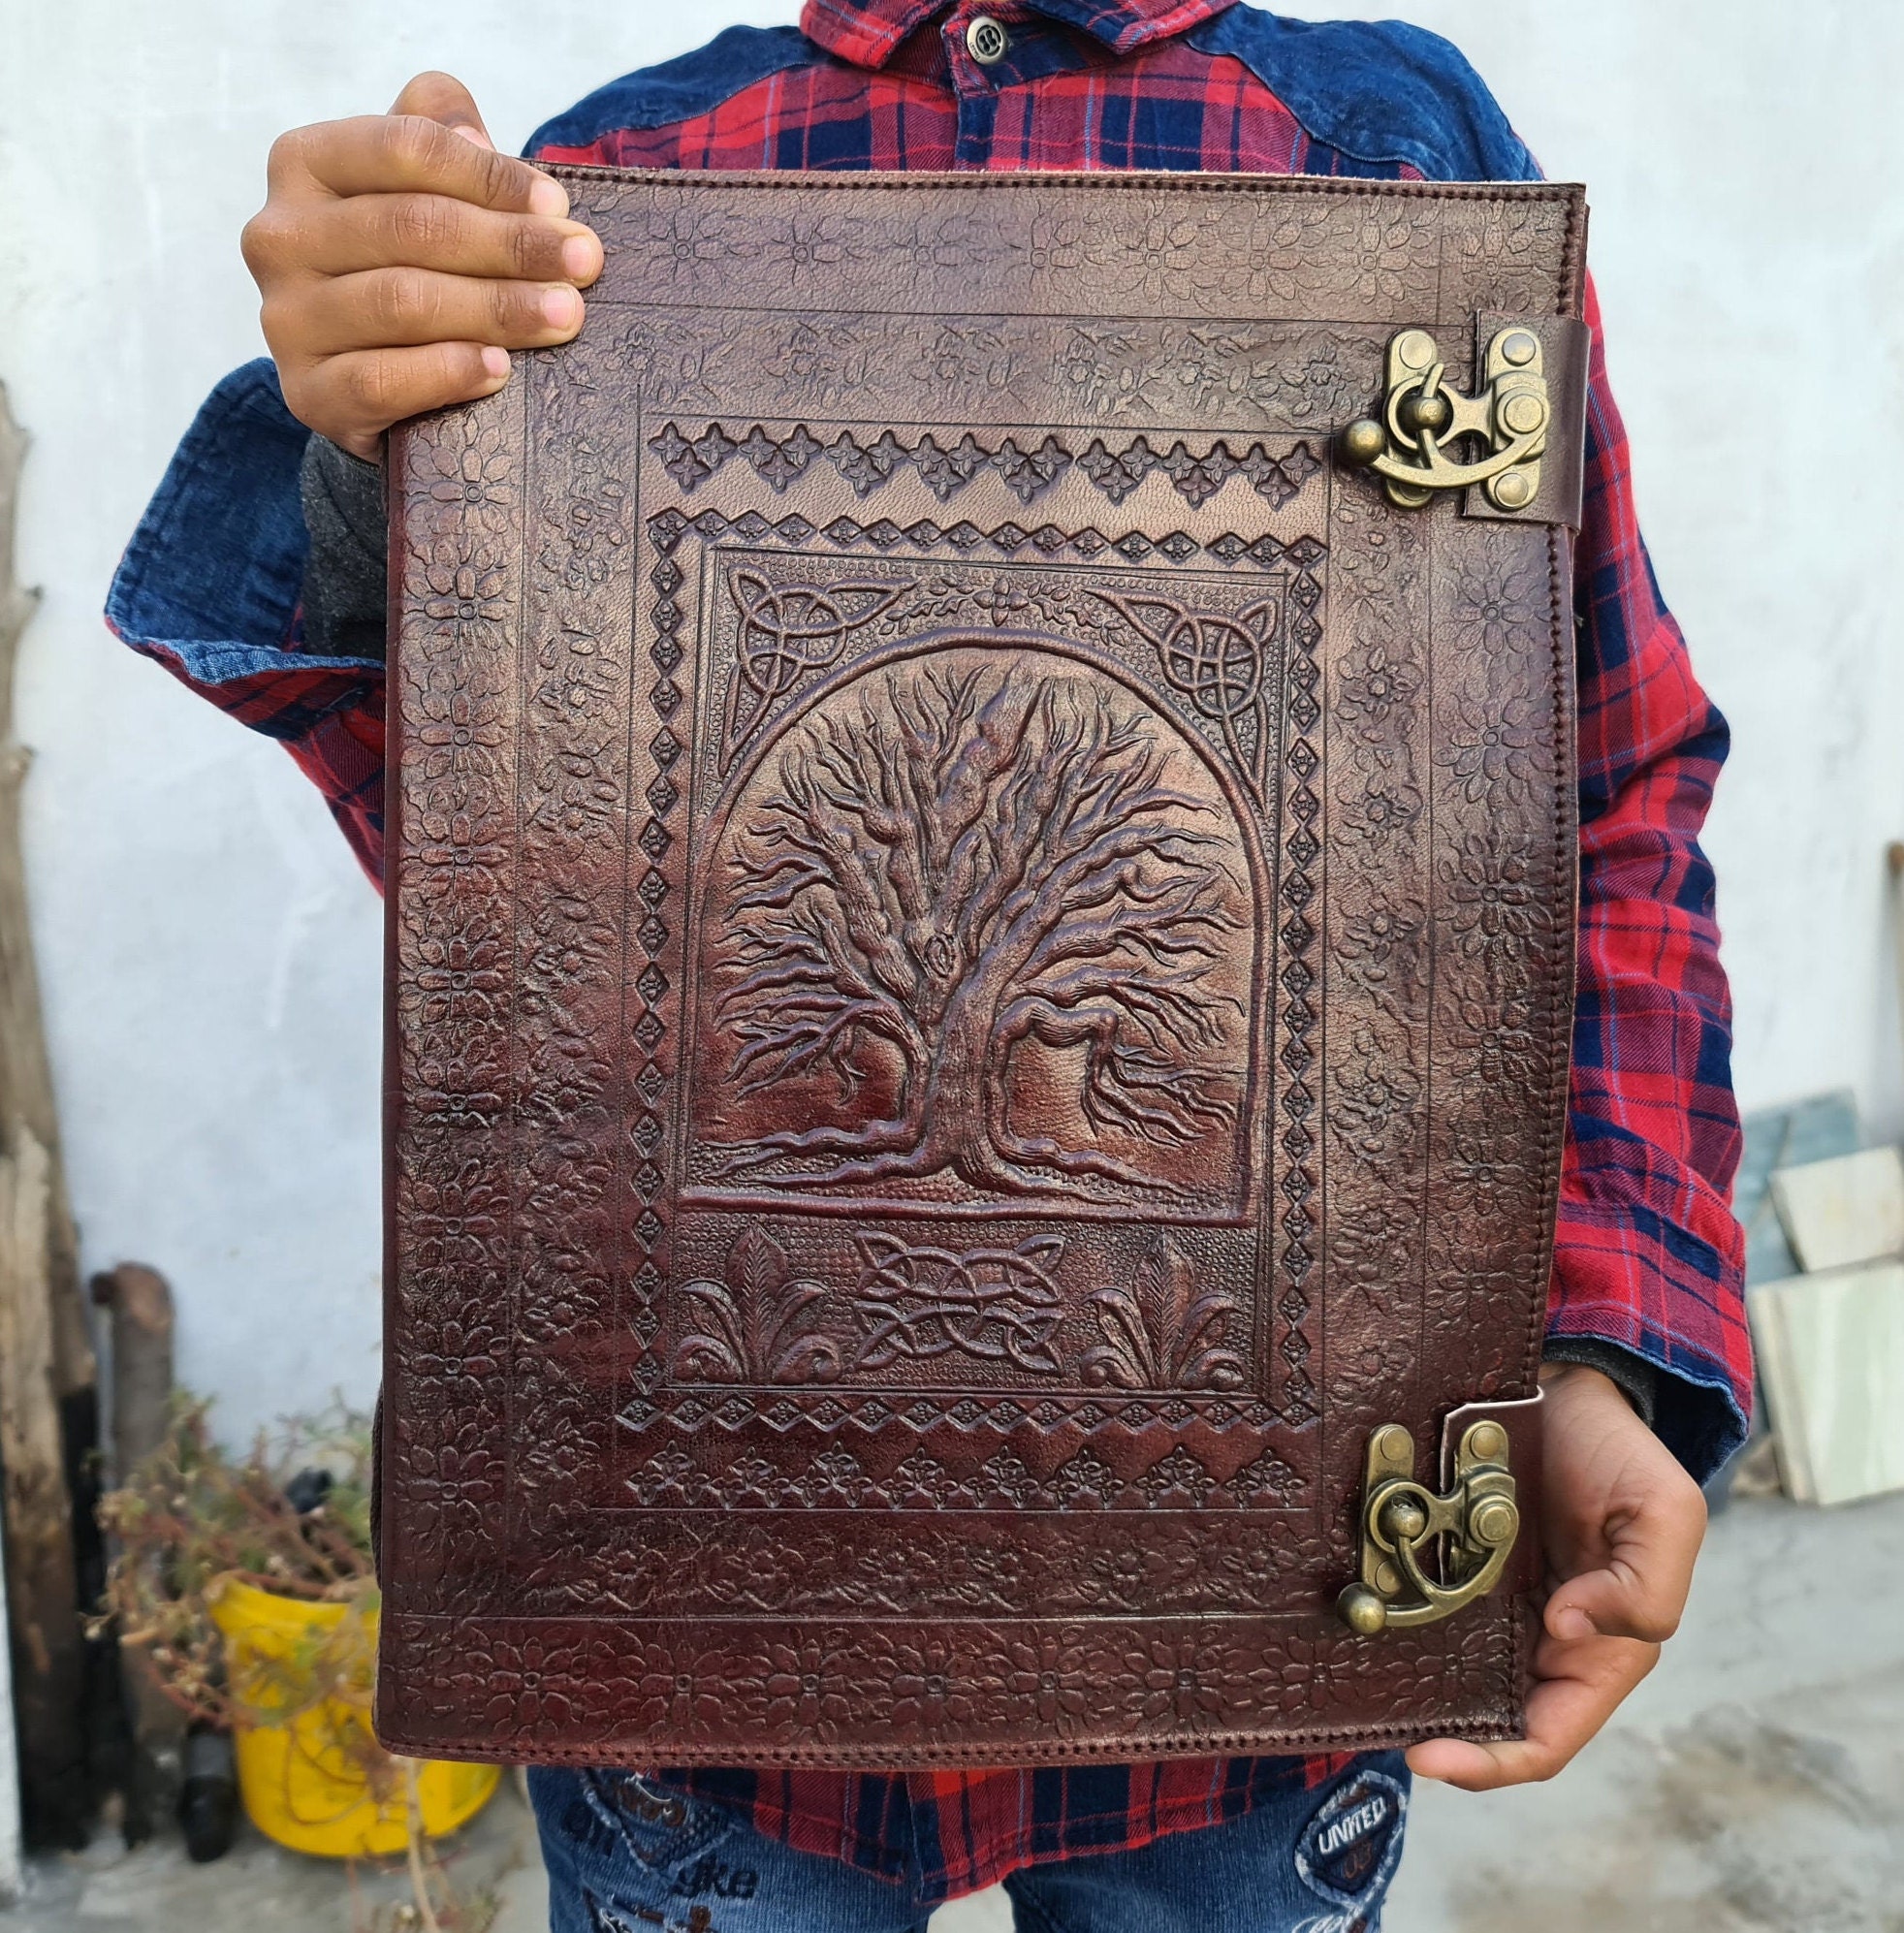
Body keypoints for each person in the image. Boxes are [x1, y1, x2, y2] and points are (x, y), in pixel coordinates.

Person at [107, 5, 1748, 1927]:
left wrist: (1594, 1340)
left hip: (1249, 1656)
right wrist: (358, 453)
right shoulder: (599, 214)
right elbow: (510, 887)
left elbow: (1601, 799)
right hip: (703, 1676)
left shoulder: (1381, 153)